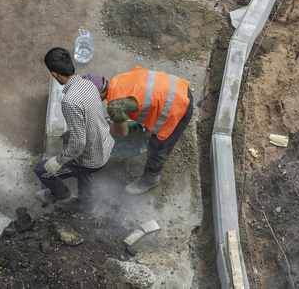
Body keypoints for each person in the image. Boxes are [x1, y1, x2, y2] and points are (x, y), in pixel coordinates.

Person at [83, 66, 193, 195]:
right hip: (180, 89)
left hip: (179, 109)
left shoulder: (115, 106)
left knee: (158, 147)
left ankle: (150, 180)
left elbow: (122, 132)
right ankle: (149, 132)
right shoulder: (118, 80)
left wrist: (101, 125)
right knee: (138, 117)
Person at [33, 47, 114, 213]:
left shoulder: (69, 101)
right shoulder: (89, 84)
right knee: (81, 167)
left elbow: (78, 143)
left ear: (54, 74)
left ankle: (60, 193)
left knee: (42, 170)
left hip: (94, 158)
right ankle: (86, 203)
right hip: (105, 143)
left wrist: (58, 161)